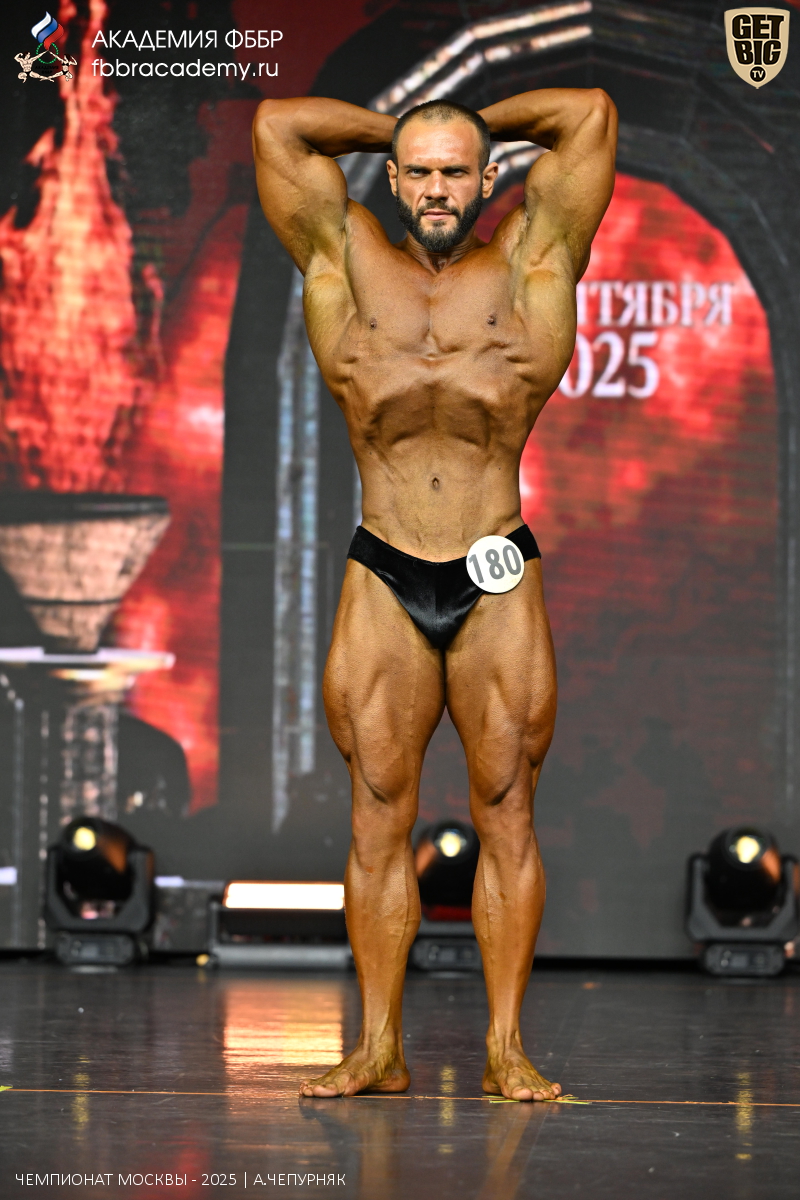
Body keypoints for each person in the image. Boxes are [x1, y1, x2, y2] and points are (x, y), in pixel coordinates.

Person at [252, 85, 617, 1101]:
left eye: (457, 169)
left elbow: (588, 115)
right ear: (393, 177)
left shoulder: (535, 258)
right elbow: (277, 128)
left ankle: (504, 1049)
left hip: (496, 565)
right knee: (376, 815)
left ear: (489, 176)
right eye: (418, 170)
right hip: (385, 565)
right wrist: (407, 124)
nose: (437, 187)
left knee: (506, 808)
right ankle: (377, 1046)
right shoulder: (343, 254)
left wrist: (465, 120)